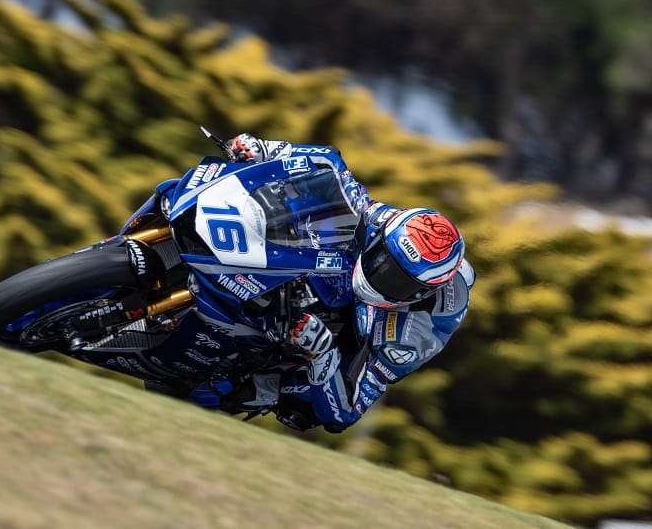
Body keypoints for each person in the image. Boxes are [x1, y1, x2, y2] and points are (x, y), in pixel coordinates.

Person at [188, 133, 476, 433]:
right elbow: (331, 164)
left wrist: (323, 352)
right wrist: (266, 149)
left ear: (420, 293)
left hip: (360, 332)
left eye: (396, 280)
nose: (380, 273)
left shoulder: (411, 335)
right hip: (342, 268)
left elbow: (346, 413)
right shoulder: (384, 221)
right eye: (382, 258)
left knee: (283, 396)